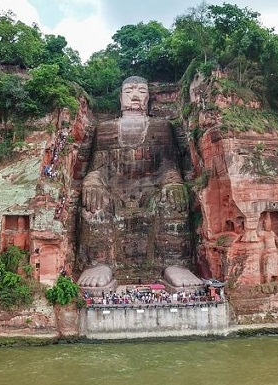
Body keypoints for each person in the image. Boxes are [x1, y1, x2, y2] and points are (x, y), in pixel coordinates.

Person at [77, 76, 193, 289]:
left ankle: (174, 263)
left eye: (141, 91)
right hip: (114, 194)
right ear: (120, 98)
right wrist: (92, 182)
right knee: (94, 200)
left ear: (149, 97)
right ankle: (100, 263)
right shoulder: (105, 129)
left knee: (173, 198)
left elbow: (169, 167)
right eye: (130, 90)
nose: (136, 95)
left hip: (152, 192)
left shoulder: (162, 127)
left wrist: (173, 183)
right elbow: (98, 168)